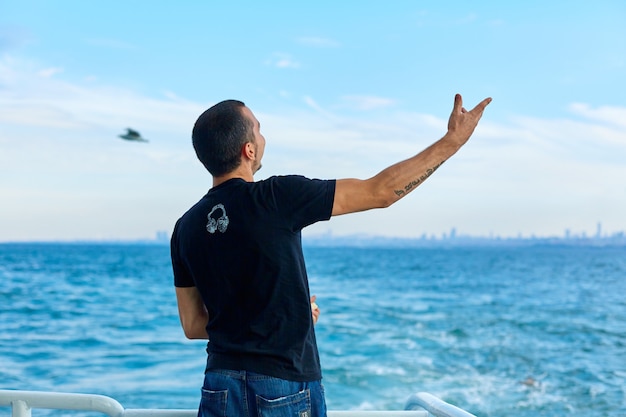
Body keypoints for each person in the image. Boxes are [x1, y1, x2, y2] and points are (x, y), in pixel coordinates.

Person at [170, 94, 491, 417]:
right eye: (258, 129)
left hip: (220, 386)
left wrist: (287, 317)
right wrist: (453, 142)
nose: (263, 136)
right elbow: (379, 192)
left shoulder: (185, 227)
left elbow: (194, 324)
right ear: (248, 150)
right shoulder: (277, 196)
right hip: (283, 384)